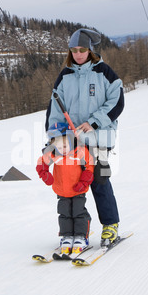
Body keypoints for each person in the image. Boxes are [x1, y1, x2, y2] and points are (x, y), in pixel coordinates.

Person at [46, 28, 124, 246]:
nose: (78, 54)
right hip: (72, 140)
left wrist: (94, 122)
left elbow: (117, 102)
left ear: (90, 50)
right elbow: (54, 109)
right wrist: (56, 137)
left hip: (99, 138)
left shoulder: (104, 72)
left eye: (82, 50)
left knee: (99, 180)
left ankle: (110, 226)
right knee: (71, 185)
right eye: (74, 50)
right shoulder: (65, 75)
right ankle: (78, 230)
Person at [36, 123, 94, 255]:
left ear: (71, 139)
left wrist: (83, 183)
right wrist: (45, 174)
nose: (62, 149)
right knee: (64, 214)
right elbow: (41, 163)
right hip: (62, 190)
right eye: (58, 146)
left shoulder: (79, 151)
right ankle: (67, 236)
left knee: (78, 213)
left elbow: (90, 167)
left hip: (78, 189)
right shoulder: (53, 154)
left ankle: (81, 237)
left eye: (64, 145)